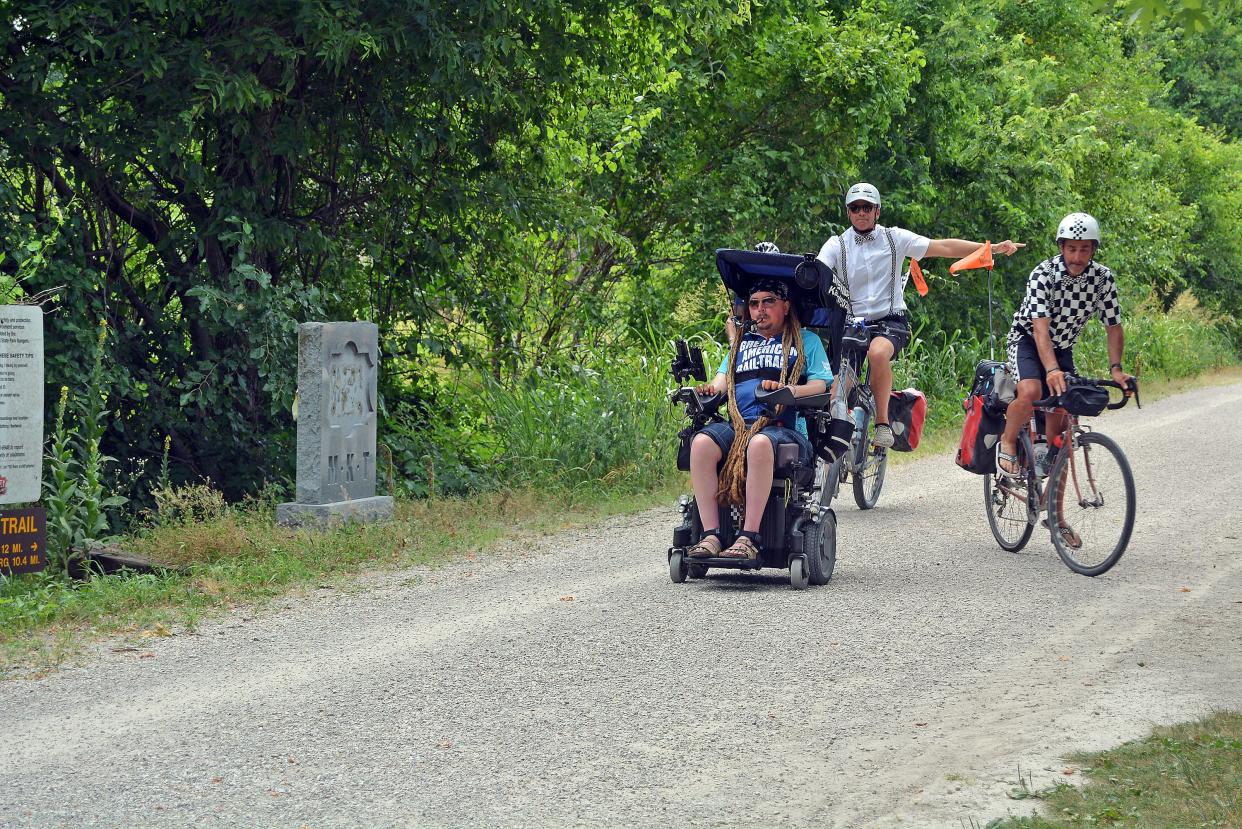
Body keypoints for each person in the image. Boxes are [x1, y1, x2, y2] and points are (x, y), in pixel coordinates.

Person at [815, 182, 1024, 447]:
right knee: (836, 391)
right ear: (848, 212)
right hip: (853, 323)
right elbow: (819, 268)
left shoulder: (894, 238)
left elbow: (943, 247)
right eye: (855, 208)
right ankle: (829, 464)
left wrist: (989, 248)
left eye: (867, 207)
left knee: (877, 354)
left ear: (877, 211)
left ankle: (881, 424)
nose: (861, 213)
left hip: (889, 320)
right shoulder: (838, 244)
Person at [997, 213, 1135, 548]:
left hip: (1062, 349)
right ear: (1061, 247)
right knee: (1031, 390)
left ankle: (1056, 519)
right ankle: (1009, 442)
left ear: (1093, 250)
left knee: (1062, 437)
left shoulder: (1103, 279)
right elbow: (1040, 330)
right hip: (1028, 341)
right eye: (1071, 249)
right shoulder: (1044, 273)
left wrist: (1116, 368)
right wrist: (1051, 370)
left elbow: (1113, 326)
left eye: (1084, 249)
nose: (1077, 257)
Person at [685, 277, 833, 561]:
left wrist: (788, 391)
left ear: (786, 306)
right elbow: (720, 383)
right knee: (701, 442)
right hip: (739, 425)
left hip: (782, 428)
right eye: (754, 304)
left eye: (769, 302)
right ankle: (711, 535)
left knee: (760, 444)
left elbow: (821, 386)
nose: (760, 310)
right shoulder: (741, 344)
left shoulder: (806, 341)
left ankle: (748, 538)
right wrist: (705, 390)